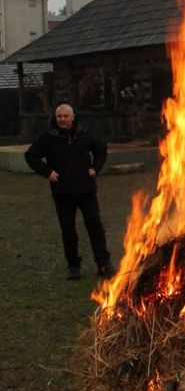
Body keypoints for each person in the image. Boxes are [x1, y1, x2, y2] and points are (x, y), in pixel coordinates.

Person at [25, 104, 115, 281]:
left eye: (66, 116)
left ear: (73, 117)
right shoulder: (48, 138)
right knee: (68, 230)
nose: (62, 119)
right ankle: (73, 266)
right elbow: (31, 156)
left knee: (95, 226)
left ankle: (103, 263)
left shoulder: (84, 134)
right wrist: (47, 172)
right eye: (59, 116)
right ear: (55, 118)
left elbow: (101, 149)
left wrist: (95, 168)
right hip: (62, 192)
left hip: (86, 191)